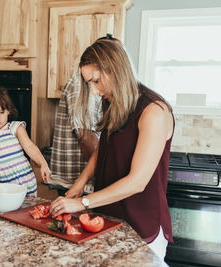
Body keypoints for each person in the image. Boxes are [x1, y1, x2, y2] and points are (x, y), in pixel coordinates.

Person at [49, 35, 174, 260]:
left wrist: (82, 202)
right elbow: (104, 149)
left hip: (142, 224)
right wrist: (79, 183)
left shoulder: (154, 111)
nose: (94, 91)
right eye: (90, 84)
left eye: (96, 81)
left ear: (114, 69)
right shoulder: (114, 103)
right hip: (110, 218)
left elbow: (137, 182)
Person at [0, 86, 51, 197]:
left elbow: (30, 147)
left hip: (23, 185)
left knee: (23, 213)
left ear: (8, 111)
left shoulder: (15, 128)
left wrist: (43, 163)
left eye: (2, 112)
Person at [49, 69, 102, 195]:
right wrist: (101, 174)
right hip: (76, 180)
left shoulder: (90, 81)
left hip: (79, 180)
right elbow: (85, 134)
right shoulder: (82, 82)